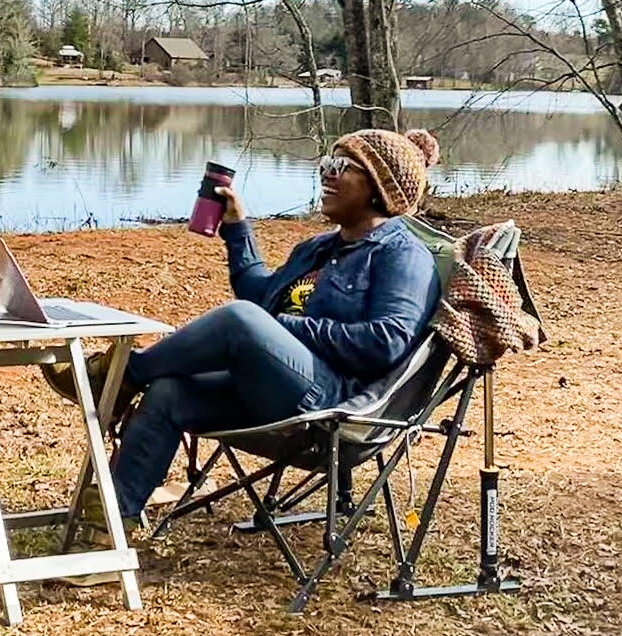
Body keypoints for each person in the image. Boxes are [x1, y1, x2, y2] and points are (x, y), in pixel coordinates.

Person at [43, 128, 444, 533]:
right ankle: (110, 528)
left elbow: (385, 342)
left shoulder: (403, 257)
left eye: (341, 167)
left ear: (379, 186)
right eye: (326, 164)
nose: (328, 174)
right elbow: (260, 300)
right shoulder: (318, 249)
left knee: (239, 321)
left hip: (331, 404)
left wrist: (286, 327)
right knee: (169, 392)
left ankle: (121, 375)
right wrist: (237, 230)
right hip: (269, 387)